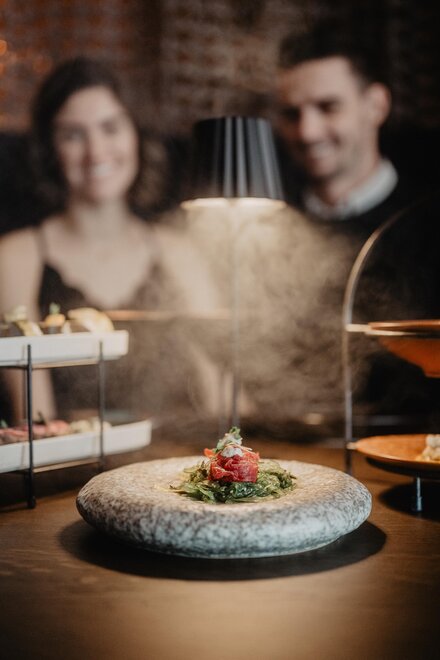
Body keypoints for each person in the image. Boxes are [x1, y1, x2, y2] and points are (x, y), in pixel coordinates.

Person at [0, 57, 222, 425]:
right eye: (73, 135)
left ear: (137, 135)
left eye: (111, 127)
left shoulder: (180, 253)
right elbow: (35, 420)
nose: (96, 151)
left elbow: (219, 390)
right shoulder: (15, 258)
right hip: (69, 458)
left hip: (177, 456)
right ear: (51, 149)